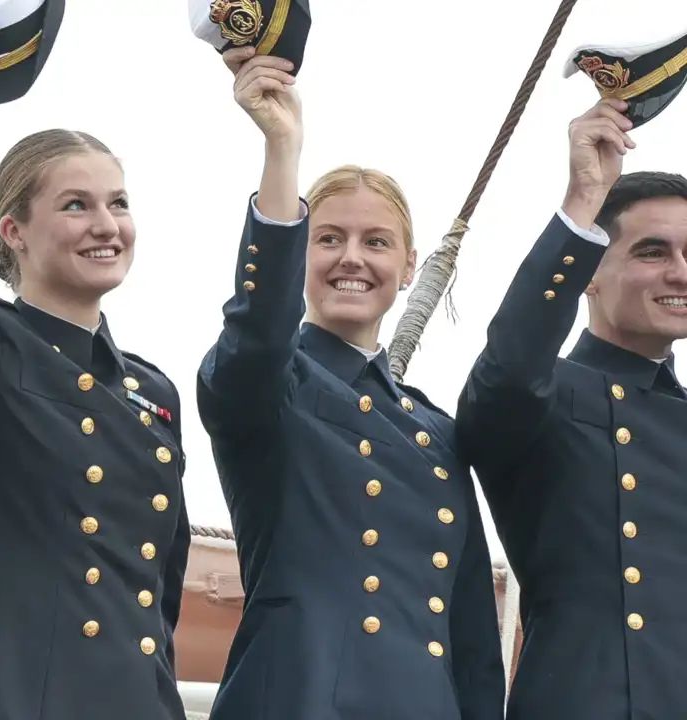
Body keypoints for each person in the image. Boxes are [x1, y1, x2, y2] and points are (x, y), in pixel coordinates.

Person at [196, 46, 505, 719]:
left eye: (376, 242)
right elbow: (257, 335)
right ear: (298, 255)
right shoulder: (269, 385)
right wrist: (282, 152)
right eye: (328, 238)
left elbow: (473, 637)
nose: (352, 259)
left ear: (410, 262)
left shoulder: (437, 432)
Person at [0, 56, 191, 720]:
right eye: (76, 205)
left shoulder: (153, 391)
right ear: (14, 232)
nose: (106, 225)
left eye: (118, 203)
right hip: (7, 696)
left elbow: (156, 598)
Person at [456, 97, 687, 719]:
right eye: (652, 252)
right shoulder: (545, 394)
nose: (680, 272)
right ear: (588, 271)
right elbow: (505, 377)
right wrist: (583, 203)